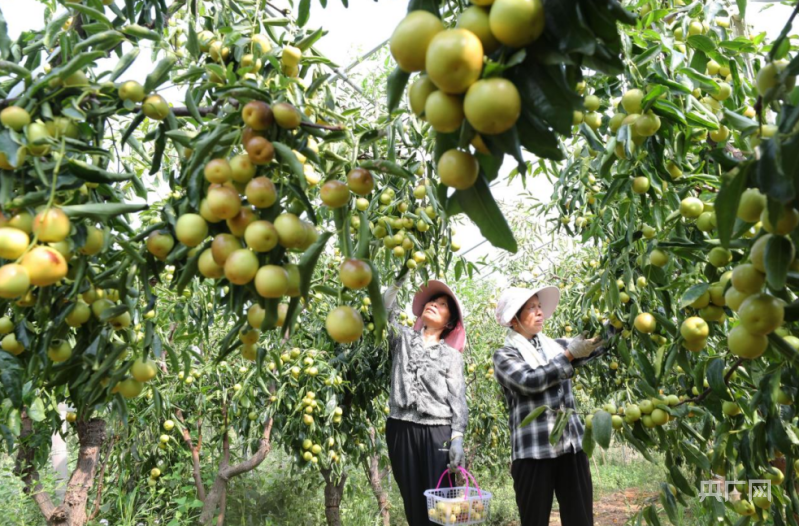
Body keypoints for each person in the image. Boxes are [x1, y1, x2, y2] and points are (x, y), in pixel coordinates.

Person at [493, 285, 604, 526]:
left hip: (571, 447)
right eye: (531, 308)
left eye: (539, 306)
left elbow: (595, 344)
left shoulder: (554, 345)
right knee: (534, 520)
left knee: (580, 519)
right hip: (533, 452)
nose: (539, 312)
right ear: (514, 319)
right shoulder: (504, 355)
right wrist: (568, 356)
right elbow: (528, 381)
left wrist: (616, 323)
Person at [383, 276, 468, 526]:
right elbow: (384, 312)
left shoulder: (451, 356)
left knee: (442, 505)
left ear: (449, 322)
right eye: (432, 301)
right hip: (400, 427)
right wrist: (396, 283)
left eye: (442, 305)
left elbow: (458, 399)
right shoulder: (403, 339)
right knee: (413, 502)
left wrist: (457, 438)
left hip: (437, 431)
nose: (434, 304)